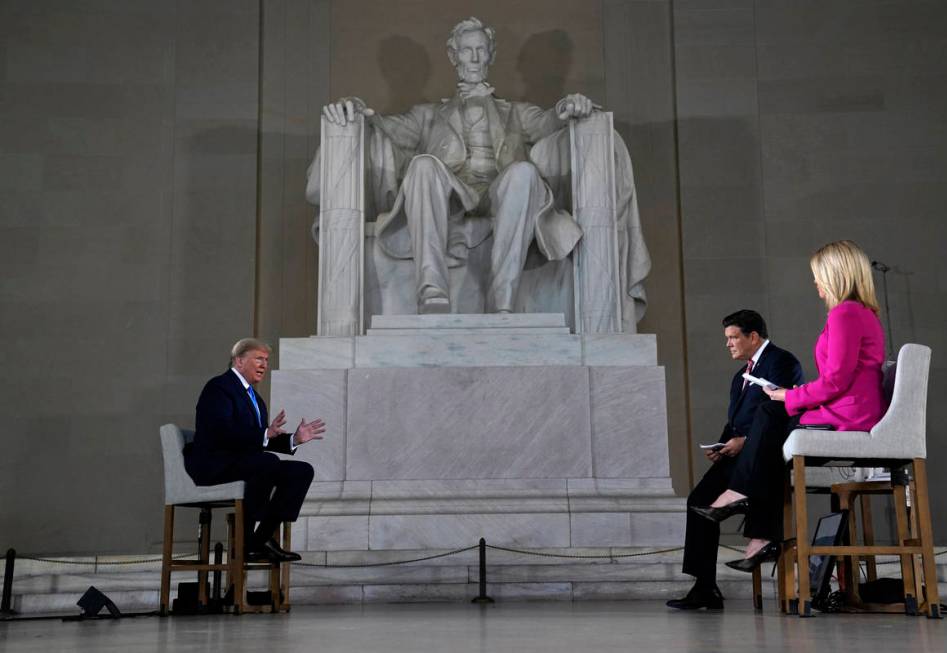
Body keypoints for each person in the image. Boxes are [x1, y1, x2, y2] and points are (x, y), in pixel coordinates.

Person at [310, 17, 650, 319]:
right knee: (424, 165)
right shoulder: (428, 115)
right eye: (466, 50)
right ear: (453, 56)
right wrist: (354, 108)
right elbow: (385, 126)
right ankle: (432, 289)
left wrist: (568, 105)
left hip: (501, 193)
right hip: (453, 196)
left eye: (480, 50)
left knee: (524, 173)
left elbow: (549, 122)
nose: (474, 58)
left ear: (490, 56)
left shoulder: (515, 112)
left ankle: (502, 297)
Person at [694, 240, 886, 574]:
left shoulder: (846, 313)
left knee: (769, 414)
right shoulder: (859, 313)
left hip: (849, 413)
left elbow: (836, 380)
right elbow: (839, 378)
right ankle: (758, 535)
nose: (815, 284)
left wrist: (788, 396)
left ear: (836, 275)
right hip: (848, 407)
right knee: (769, 434)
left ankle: (742, 501)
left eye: (818, 276)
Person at [666, 310, 803, 610]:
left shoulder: (782, 361)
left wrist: (746, 442)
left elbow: (781, 413)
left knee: (715, 498)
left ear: (753, 336)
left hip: (765, 455)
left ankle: (759, 535)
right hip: (737, 454)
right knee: (698, 502)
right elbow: (735, 422)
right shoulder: (738, 375)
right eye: (726, 338)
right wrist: (722, 444)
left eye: (733, 337)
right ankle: (705, 588)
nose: (728, 344)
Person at [184, 339, 326, 562]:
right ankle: (246, 538)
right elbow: (220, 432)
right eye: (259, 359)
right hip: (214, 463)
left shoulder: (255, 398)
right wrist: (264, 435)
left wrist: (294, 439)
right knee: (265, 462)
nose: (264, 365)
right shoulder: (219, 387)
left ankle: (259, 539)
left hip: (244, 463)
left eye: (267, 360)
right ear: (239, 361)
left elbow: (262, 438)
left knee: (301, 471)